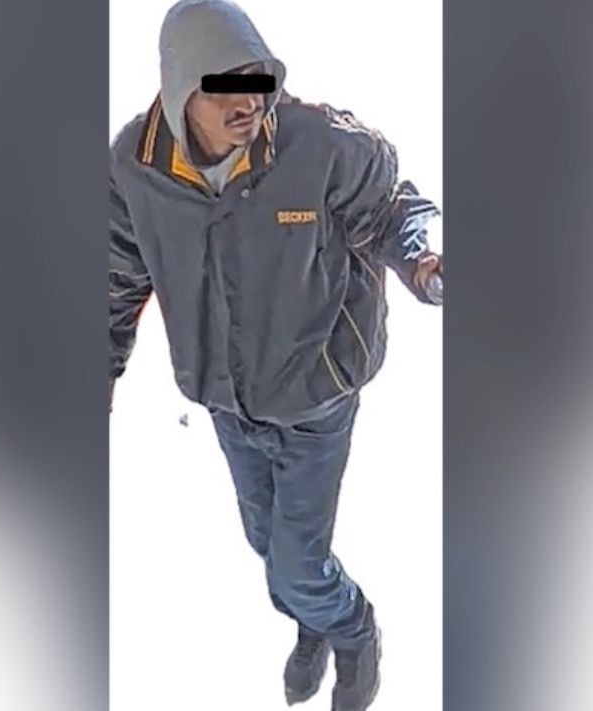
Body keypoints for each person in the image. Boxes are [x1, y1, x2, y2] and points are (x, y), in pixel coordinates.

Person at [108, 1, 442, 708]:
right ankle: (311, 620)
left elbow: (392, 209)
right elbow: (117, 274)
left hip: (316, 395)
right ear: (179, 88)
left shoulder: (318, 144)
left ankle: (352, 631)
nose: (247, 105)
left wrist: (424, 257)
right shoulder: (137, 166)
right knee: (268, 546)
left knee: (295, 562)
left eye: (258, 82)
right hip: (227, 401)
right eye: (224, 88)